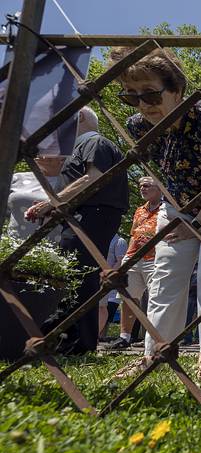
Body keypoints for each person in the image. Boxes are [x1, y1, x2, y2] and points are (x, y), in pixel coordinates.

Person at [107, 47, 201, 382]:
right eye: (132, 98)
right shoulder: (138, 127)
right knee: (165, 277)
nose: (144, 106)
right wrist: (178, 216)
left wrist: (196, 226)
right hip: (179, 207)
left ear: (176, 91)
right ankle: (152, 354)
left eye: (151, 94)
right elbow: (160, 173)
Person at [27, 107, 129, 356]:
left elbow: (91, 178)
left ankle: (78, 343)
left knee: (80, 276)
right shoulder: (81, 146)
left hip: (93, 214)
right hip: (84, 214)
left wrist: (52, 203)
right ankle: (69, 337)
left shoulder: (94, 141)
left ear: (80, 117)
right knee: (74, 275)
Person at [107, 176, 161, 350]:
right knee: (128, 297)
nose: (142, 189)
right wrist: (126, 259)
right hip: (133, 258)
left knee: (156, 299)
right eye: (140, 186)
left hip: (155, 258)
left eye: (146, 186)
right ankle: (124, 337)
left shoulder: (167, 210)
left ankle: (153, 338)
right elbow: (134, 234)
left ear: (159, 188)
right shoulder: (139, 210)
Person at [8, 155, 67, 241]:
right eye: (40, 150)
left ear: (63, 158)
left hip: (52, 248)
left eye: (50, 151)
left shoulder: (70, 183)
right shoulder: (17, 178)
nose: (41, 155)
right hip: (11, 245)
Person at [99, 233, 127, 338]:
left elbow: (120, 262)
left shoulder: (119, 241)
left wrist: (108, 276)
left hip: (110, 286)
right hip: (98, 279)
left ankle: (99, 336)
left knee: (104, 309)